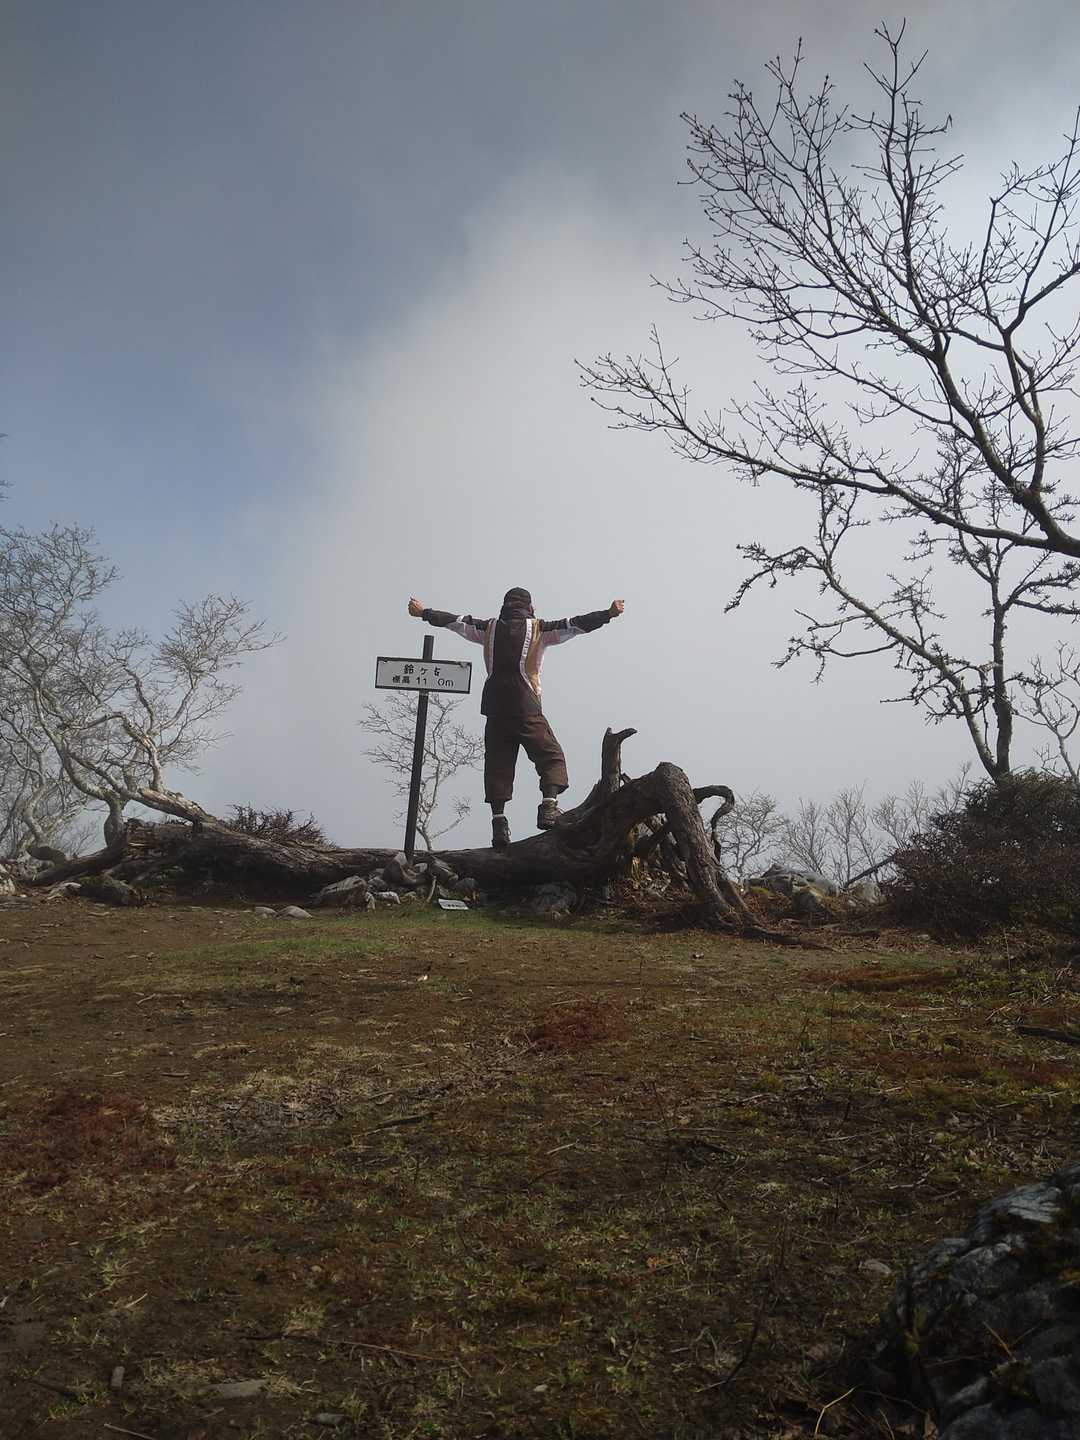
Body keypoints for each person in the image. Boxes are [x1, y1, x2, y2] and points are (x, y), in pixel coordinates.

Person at [407, 588, 625, 850]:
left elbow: (455, 621)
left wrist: (424, 612)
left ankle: (499, 825)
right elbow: (575, 624)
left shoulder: (488, 629)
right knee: (550, 755)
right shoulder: (539, 629)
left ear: (505, 607)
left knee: (498, 766)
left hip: (495, 709)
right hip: (526, 708)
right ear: (529, 607)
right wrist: (608, 614)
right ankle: (548, 807)